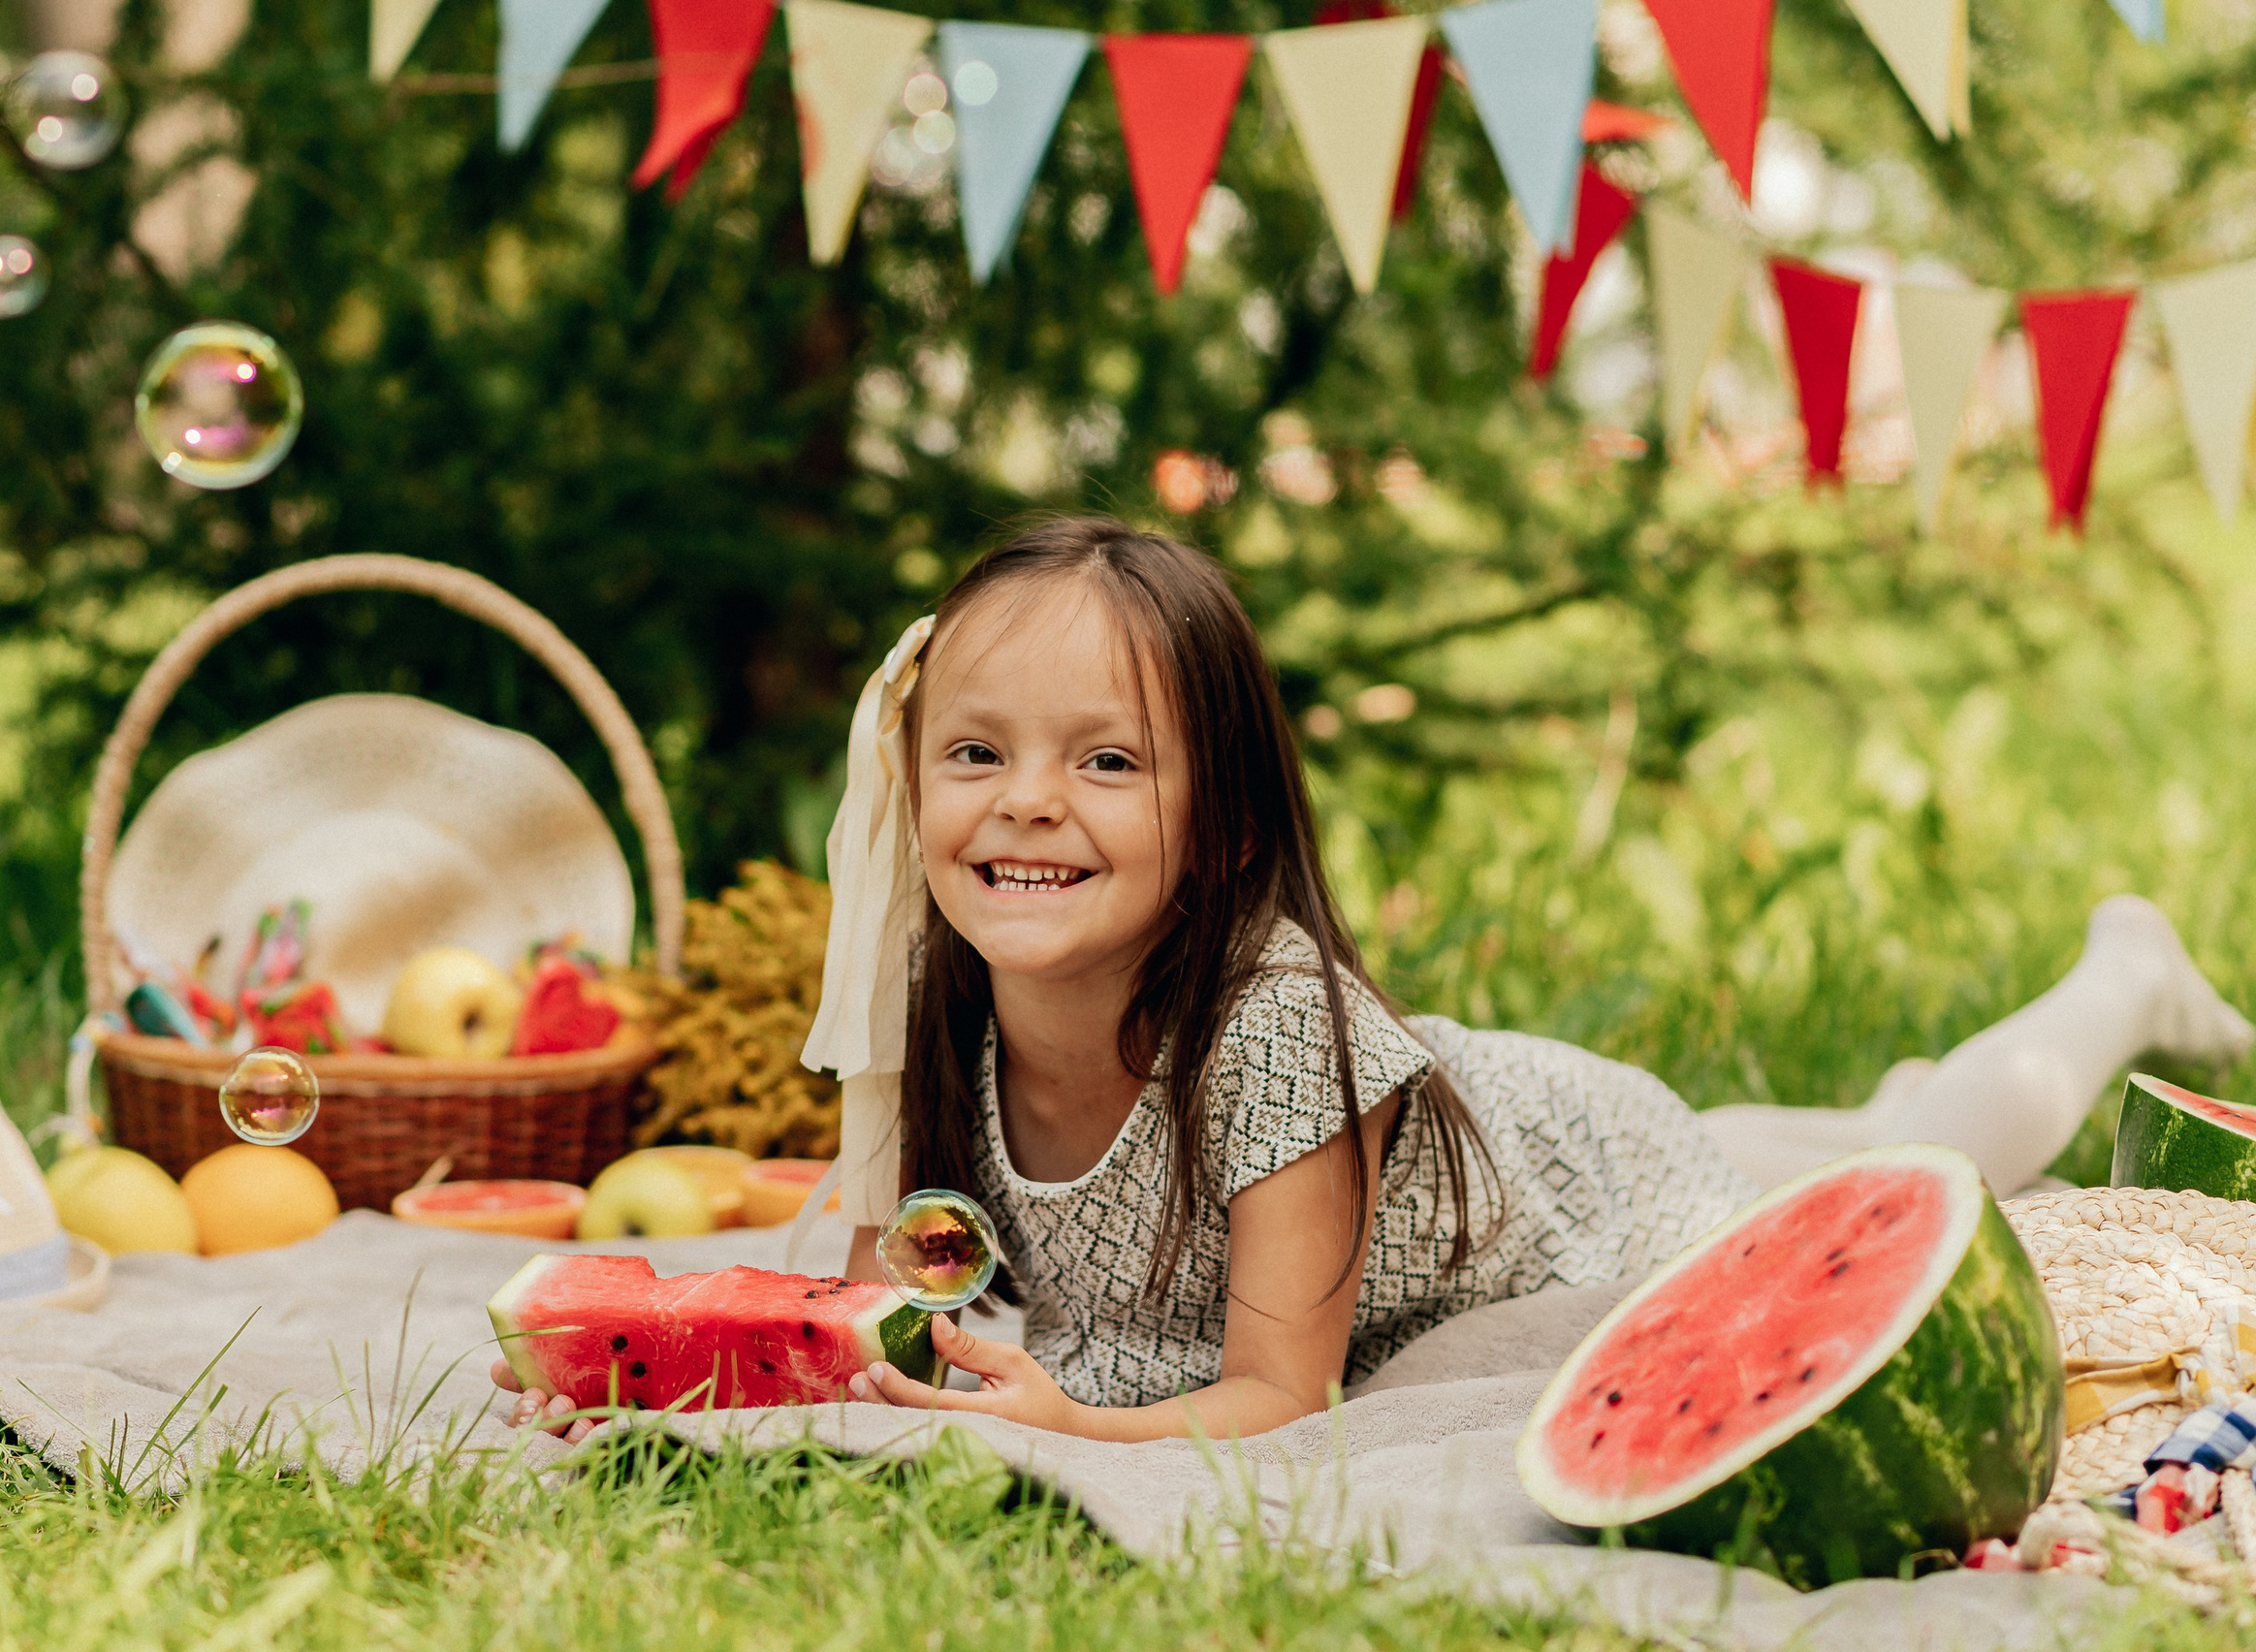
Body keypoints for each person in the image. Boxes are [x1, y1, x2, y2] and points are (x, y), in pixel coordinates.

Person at [495, 517, 2252, 1445]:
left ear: (1228, 823)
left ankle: (2122, 971)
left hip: (1573, 1185)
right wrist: (685, 1367)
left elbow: (1275, 1397)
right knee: (1828, 1121)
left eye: (1107, 764)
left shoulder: (1270, 1037)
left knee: (1937, 1161)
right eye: (976, 753)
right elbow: (880, 1317)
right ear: (910, 783)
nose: (1026, 801)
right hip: (1466, 1128)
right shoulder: (923, 998)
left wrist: (1091, 1432)